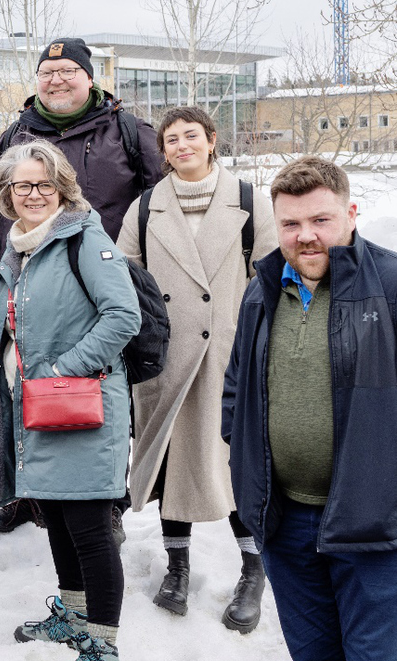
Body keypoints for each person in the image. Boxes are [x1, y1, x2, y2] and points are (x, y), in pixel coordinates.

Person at [223, 156, 397, 661]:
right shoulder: (263, 290)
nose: (306, 237)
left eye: (320, 221)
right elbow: (237, 387)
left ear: (350, 213)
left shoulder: (390, 286)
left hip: (375, 527)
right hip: (286, 521)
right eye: (291, 225)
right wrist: (242, 448)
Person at [0, 38, 162, 535]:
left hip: (99, 281)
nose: (57, 79)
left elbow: (161, 200)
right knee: (22, 382)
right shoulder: (17, 134)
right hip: (29, 280)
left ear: (90, 78)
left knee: (95, 394)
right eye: (47, 71)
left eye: (68, 70)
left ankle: (106, 503)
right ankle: (28, 491)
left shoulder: (125, 129)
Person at [0, 141, 139, 661]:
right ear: (7, 193)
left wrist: (63, 371)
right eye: (22, 185)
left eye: (44, 184)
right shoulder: (18, 249)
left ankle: (105, 649)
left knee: (91, 528)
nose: (33, 194)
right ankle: (72, 616)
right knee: (58, 517)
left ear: (63, 187)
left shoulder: (84, 239)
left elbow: (123, 316)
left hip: (83, 404)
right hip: (37, 408)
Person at [116, 106, 278, 630]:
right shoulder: (145, 209)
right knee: (173, 465)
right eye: (171, 140)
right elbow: (126, 280)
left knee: (235, 469)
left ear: (212, 141)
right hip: (168, 360)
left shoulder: (251, 202)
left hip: (230, 359)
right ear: (162, 151)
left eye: (192, 136)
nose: (182, 145)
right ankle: (177, 567)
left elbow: (273, 280)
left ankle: (254, 570)